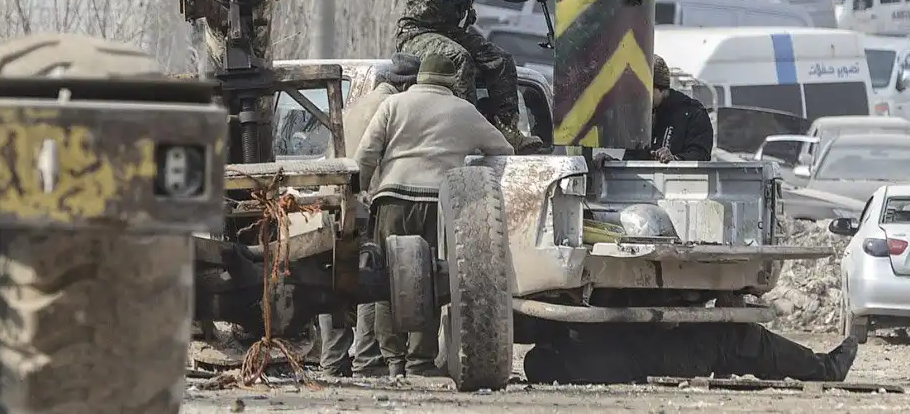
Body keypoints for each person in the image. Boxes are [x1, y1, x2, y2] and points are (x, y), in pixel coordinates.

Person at [354, 54, 516, 378]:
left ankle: (393, 359)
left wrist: (359, 193)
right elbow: (503, 150)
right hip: (436, 204)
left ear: (420, 78)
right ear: (451, 81)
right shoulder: (464, 111)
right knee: (427, 282)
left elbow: (366, 155)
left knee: (386, 280)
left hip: (391, 200)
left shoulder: (394, 104)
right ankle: (419, 361)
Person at [395, 0, 541, 151]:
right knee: (459, 59)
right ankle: (468, 131)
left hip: (449, 32)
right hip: (417, 32)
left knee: (501, 60)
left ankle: (507, 131)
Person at [318, 53, 420, 378]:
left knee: (335, 276)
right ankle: (367, 359)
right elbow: (372, 160)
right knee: (370, 274)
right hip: (358, 199)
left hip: (329, 196)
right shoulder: (392, 108)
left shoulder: (360, 103)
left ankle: (333, 360)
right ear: (408, 86)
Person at [523, 323, 859, 385]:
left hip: (663, 355)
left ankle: (819, 367)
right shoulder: (581, 349)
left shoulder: (576, 360)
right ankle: (826, 369)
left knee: (738, 347)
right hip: (670, 355)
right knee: (742, 339)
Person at [621, 56, 714, 163]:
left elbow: (701, 155)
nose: (639, 96)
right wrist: (610, 163)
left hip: (680, 174)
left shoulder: (693, 113)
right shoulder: (642, 117)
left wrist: (676, 159)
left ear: (662, 89)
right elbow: (632, 160)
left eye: (644, 90)